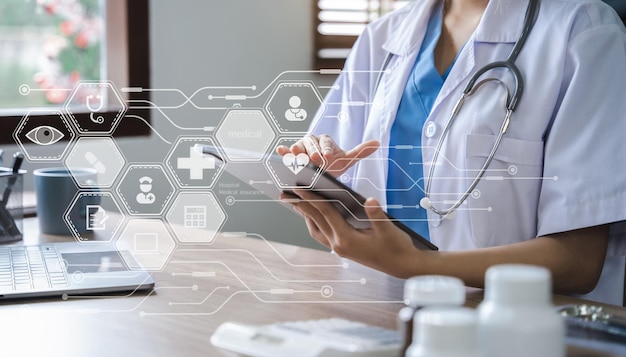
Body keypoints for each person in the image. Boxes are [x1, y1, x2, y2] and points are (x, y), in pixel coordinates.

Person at [277, 0, 626, 305]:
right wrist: (321, 175)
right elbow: (334, 168)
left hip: (515, 331)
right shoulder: (381, 37)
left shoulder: (584, 30)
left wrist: (416, 265)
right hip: (376, 312)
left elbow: (579, 263)